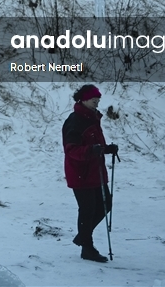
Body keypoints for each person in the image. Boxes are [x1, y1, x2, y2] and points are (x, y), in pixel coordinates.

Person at [62, 84, 119, 263]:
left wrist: (105, 149)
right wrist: (91, 151)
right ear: (83, 99)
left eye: (98, 99)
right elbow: (71, 149)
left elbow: (93, 144)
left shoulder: (92, 118)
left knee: (106, 205)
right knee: (88, 210)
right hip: (80, 172)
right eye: (93, 99)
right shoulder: (75, 120)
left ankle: (83, 236)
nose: (96, 102)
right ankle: (87, 248)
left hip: (96, 171)